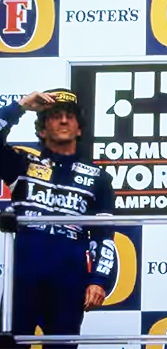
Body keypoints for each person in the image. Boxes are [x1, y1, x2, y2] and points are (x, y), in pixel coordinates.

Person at [0, 89, 116, 348]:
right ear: (41, 129)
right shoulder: (21, 164)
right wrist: (20, 106)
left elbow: (105, 235)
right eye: (54, 116)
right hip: (22, 279)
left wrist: (99, 280)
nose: (63, 121)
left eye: (69, 116)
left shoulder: (99, 179)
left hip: (69, 281)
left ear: (79, 128)